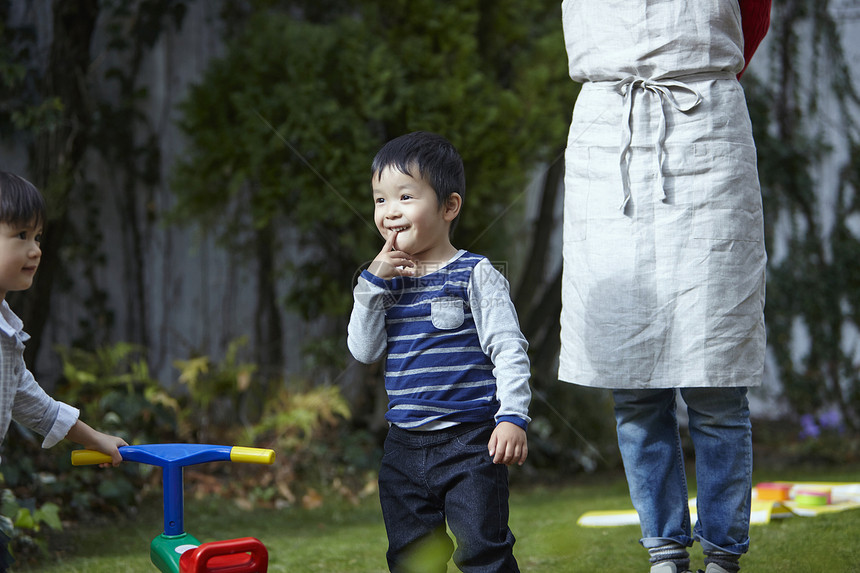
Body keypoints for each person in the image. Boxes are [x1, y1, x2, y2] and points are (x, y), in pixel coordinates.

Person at [558, 2, 771, 573]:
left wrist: (694, 66)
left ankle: (724, 553)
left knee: (717, 378)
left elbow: (752, 16)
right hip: (609, 139)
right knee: (631, 381)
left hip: (706, 126)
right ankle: (665, 550)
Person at [347, 131, 531, 572]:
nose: (390, 212)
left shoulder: (475, 274)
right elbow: (364, 351)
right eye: (379, 200)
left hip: (469, 442)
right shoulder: (381, 283)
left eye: (405, 196)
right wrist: (370, 287)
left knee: (482, 550)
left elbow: (508, 347)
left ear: (448, 206)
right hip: (403, 447)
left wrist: (512, 416)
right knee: (412, 557)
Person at [0, 171, 127, 570]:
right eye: (20, 236)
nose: (35, 249)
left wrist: (96, 438)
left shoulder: (7, 334)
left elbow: (35, 405)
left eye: (36, 237)